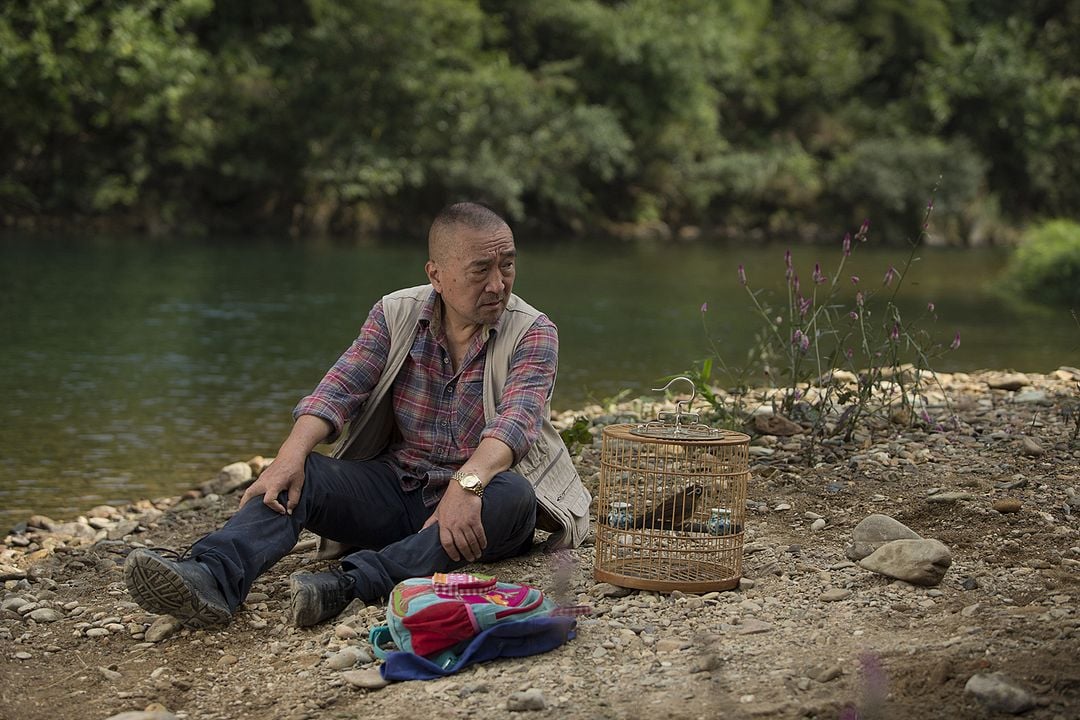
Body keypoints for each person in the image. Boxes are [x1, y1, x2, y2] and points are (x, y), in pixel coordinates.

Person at [123, 202, 591, 629]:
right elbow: (339, 388)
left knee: (512, 493)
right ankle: (212, 576)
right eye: (480, 270)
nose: (498, 284)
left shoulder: (533, 331)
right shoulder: (395, 313)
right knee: (299, 473)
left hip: (480, 504)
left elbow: (515, 424)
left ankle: (351, 585)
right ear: (436, 274)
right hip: (395, 490)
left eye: (507, 265)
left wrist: (464, 487)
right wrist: (288, 456)